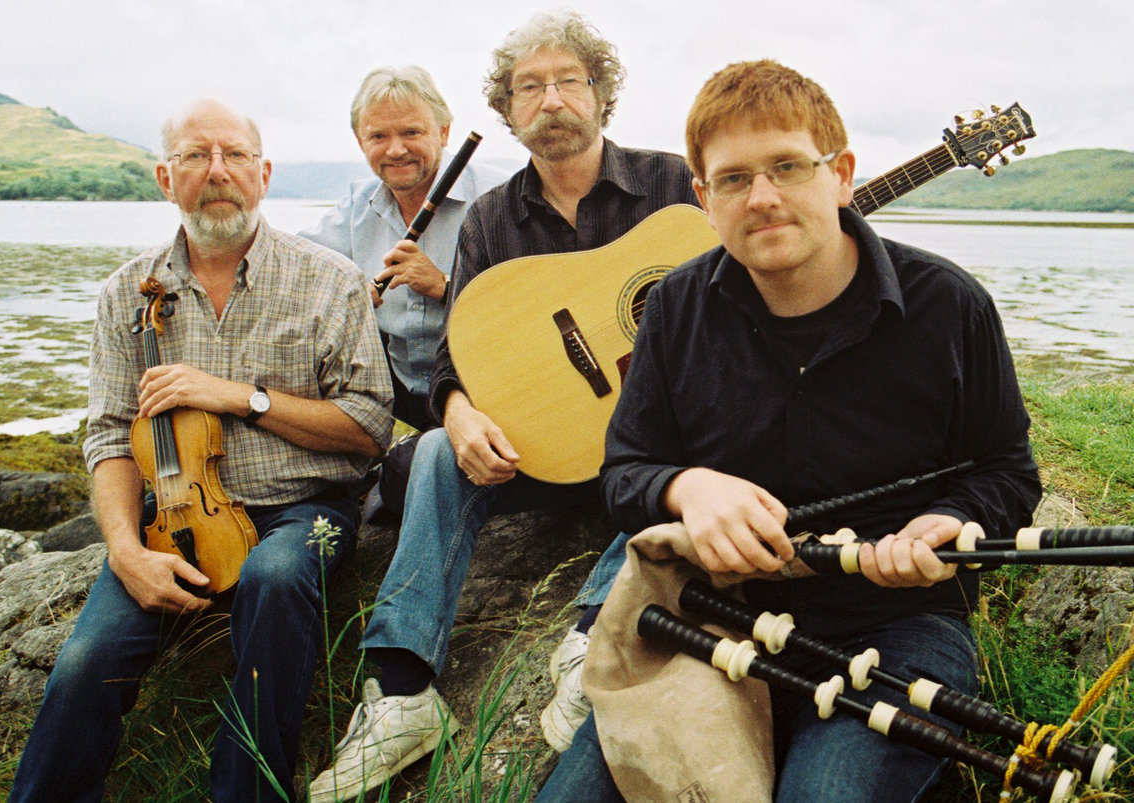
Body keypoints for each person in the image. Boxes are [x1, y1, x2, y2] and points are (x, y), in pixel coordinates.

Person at [537, 60, 1042, 802]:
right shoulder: (675, 307)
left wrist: (952, 518)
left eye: (787, 167)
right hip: (712, 617)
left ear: (841, 175)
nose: (763, 197)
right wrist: (687, 488)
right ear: (705, 199)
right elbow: (625, 473)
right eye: (734, 179)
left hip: (897, 623)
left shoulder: (949, 305)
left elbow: (1008, 469)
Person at [307, 11, 697, 802]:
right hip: (545, 450)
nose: (550, 99)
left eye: (568, 81)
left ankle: (591, 639)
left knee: (709, 435)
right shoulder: (492, 217)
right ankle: (402, 689)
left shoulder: (674, 185)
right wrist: (457, 413)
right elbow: (456, 354)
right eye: (529, 87)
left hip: (649, 455)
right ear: (508, 109)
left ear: (601, 94)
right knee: (435, 451)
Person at [8, 99, 393, 802]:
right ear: (166, 178)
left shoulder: (329, 279)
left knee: (275, 577)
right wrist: (125, 550)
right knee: (86, 661)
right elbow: (109, 436)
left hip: (301, 509)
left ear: (264, 174)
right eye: (195, 155)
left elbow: (369, 426)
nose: (218, 171)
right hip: (169, 520)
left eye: (235, 155)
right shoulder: (127, 293)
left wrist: (241, 397)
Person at [300, 68, 508, 518]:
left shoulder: (501, 196)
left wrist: (445, 286)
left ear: (444, 132)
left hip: (485, 389)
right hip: (404, 392)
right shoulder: (357, 206)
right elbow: (292, 268)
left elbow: (535, 309)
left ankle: (395, 472)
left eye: (412, 132)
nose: (395, 150)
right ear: (360, 142)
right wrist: (344, 295)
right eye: (378, 136)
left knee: (401, 478)